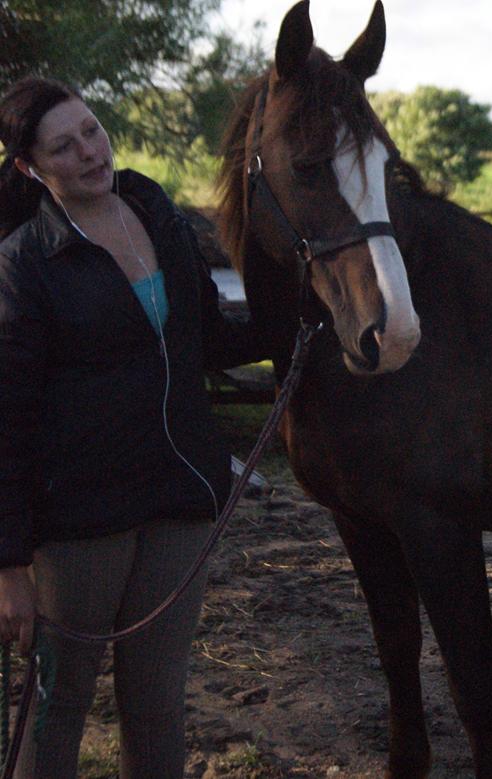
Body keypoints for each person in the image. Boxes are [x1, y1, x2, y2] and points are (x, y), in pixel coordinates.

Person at [0, 76, 264, 778]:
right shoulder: (26, 263)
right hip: (81, 523)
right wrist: (9, 564)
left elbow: (202, 337)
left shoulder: (156, 211)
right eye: (64, 145)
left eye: (91, 129)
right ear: (30, 167)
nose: (89, 151)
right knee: (58, 705)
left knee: (157, 703)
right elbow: (8, 422)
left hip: (179, 503)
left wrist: (288, 321)